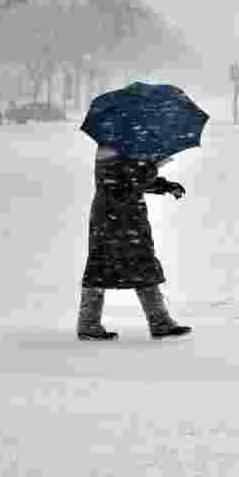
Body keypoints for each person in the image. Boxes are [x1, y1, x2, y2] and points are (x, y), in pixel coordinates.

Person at [77, 145, 191, 341]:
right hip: (116, 216)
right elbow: (135, 178)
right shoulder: (114, 147)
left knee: (139, 266)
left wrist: (164, 185)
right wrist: (154, 164)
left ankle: (159, 322)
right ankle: (89, 324)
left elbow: (134, 179)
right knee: (106, 267)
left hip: (119, 215)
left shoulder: (117, 144)